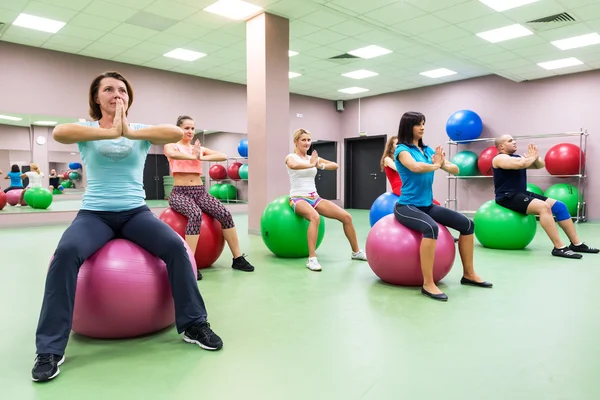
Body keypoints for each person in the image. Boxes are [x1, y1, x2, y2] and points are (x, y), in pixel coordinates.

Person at [31, 71, 223, 383]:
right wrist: (109, 133)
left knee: (177, 247)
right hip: (94, 215)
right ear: (97, 97)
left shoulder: (141, 131)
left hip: (136, 214)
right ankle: (50, 349)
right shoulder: (87, 129)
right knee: (65, 253)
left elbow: (174, 132)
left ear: (129, 98)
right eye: (108, 89)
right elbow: (59, 132)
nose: (116, 94)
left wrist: (128, 133)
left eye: (122, 89)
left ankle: (194, 324)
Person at [393, 111, 492, 301]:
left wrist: (442, 164)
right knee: (430, 228)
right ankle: (428, 283)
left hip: (426, 205)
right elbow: (415, 167)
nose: (422, 127)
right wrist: (436, 165)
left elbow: (456, 169)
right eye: (418, 124)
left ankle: (469, 274)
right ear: (408, 127)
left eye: (423, 123)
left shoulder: (428, 150)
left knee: (467, 224)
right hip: (406, 206)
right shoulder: (402, 150)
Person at [163, 115, 255, 280]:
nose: (190, 131)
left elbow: (222, 156)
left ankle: (238, 258)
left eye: (192, 128)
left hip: (199, 192)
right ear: (179, 129)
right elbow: (172, 154)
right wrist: (193, 156)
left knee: (225, 214)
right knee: (195, 214)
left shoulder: (199, 149)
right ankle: (189, 263)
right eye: (186, 128)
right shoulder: (172, 146)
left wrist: (201, 156)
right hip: (179, 193)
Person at [491, 134, 598, 259]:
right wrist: (530, 158)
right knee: (544, 207)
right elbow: (520, 164)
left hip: (521, 193)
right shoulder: (499, 159)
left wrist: (534, 158)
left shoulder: (516, 157)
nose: (514, 142)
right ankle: (559, 248)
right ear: (502, 146)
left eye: (514, 140)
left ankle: (577, 244)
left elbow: (540, 165)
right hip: (507, 197)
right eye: (510, 141)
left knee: (560, 206)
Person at [286, 128, 367, 271]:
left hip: (315, 198)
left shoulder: (312, 158)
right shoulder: (291, 157)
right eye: (303, 140)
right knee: (314, 217)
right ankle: (312, 259)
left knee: (346, 217)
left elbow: (335, 165)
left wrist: (319, 164)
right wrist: (311, 164)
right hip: (298, 199)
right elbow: (293, 166)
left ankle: (356, 252)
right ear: (296, 142)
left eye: (308, 140)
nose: (306, 143)